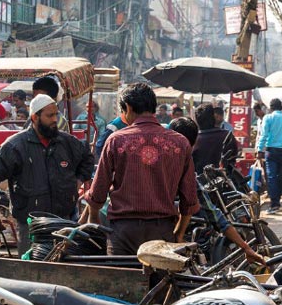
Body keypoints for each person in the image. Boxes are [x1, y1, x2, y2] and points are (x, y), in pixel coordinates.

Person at [0, 94, 94, 255]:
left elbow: (87, 157)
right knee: (30, 270)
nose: (54, 120)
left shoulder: (66, 142)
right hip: (30, 224)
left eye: (56, 114)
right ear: (34, 117)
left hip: (62, 221)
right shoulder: (16, 145)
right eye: (49, 115)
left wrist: (78, 181)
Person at [84, 83, 200, 256]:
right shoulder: (180, 143)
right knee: (159, 282)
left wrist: (93, 218)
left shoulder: (116, 140)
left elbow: (99, 190)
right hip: (162, 232)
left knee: (122, 280)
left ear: (128, 108)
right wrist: (179, 233)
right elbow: (189, 199)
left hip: (123, 232)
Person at [169, 117, 264, 265]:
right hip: (160, 234)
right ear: (193, 144)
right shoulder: (185, 170)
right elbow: (213, 215)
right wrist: (246, 248)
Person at [257, 99, 282, 214]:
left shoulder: (268, 118)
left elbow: (264, 135)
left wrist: (259, 149)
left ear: (271, 107)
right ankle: (277, 200)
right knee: (280, 177)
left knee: (272, 177)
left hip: (271, 150)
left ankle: (274, 204)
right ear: (281, 107)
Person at [192, 104, 239, 174]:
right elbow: (233, 158)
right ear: (214, 118)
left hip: (199, 181)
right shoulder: (227, 136)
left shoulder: (193, 140)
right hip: (225, 180)